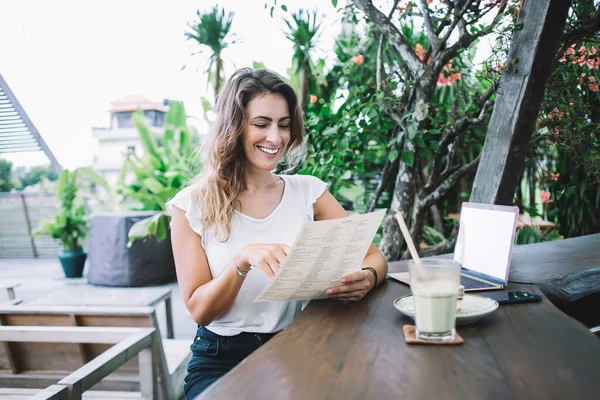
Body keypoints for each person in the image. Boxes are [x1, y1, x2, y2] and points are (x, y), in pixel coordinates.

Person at [166, 67, 388, 399]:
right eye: (261, 124)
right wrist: (242, 261)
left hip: (296, 347)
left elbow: (373, 257)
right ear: (234, 127)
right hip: (220, 359)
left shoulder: (308, 193)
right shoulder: (192, 206)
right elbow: (199, 309)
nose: (275, 137)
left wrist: (368, 277)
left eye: (283, 125)